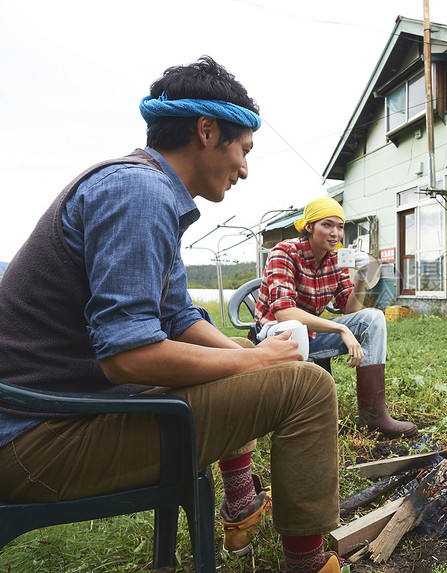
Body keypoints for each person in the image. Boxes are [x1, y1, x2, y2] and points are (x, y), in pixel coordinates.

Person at [0, 56, 341, 573]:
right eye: (243, 150)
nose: (245, 168)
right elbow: (130, 357)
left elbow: (179, 316)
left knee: (244, 370)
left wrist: (255, 357)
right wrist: (254, 364)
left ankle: (243, 504)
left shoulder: (148, 189)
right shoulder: (139, 193)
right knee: (309, 388)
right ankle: (308, 565)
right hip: (38, 439)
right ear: (207, 131)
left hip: (67, 411)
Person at [254, 197, 417, 438]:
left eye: (340, 227)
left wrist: (361, 276)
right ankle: (298, 416)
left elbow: (349, 309)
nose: (336, 233)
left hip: (311, 334)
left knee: (372, 318)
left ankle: (373, 417)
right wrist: (341, 330)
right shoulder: (285, 252)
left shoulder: (337, 258)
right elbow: (284, 312)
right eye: (327, 225)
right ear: (309, 227)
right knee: (294, 324)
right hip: (276, 335)